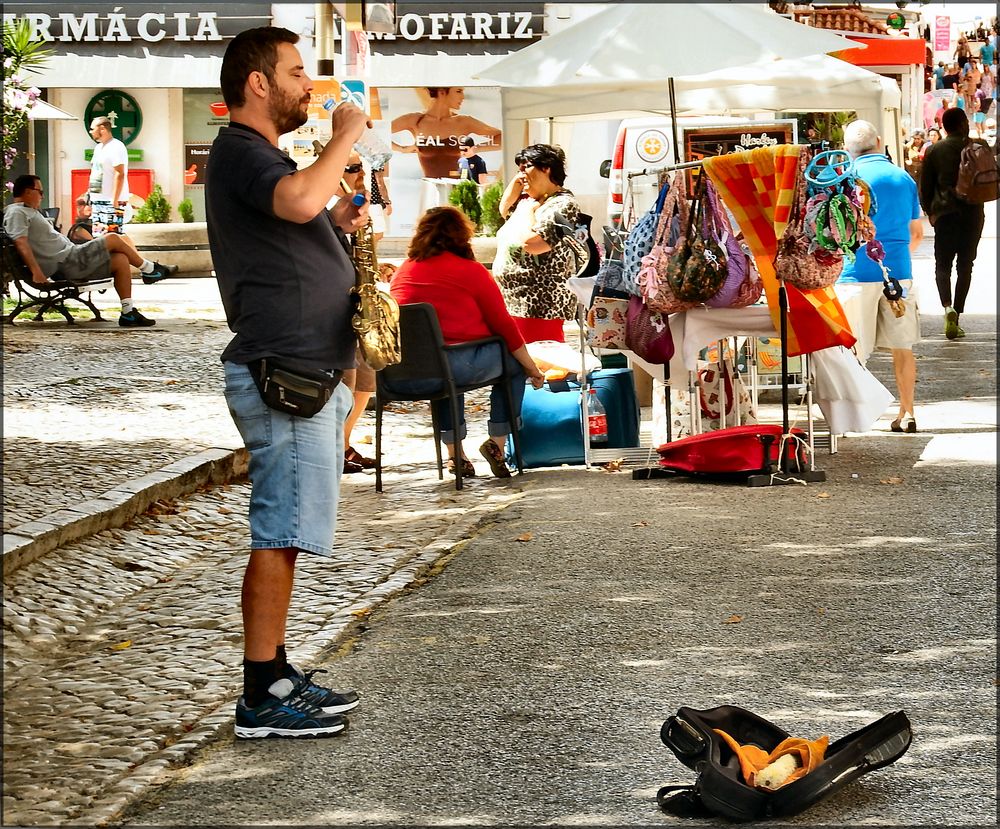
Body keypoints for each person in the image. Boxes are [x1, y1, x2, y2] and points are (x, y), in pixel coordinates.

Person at [205, 25, 371, 739]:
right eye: (297, 72)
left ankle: (273, 670)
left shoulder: (262, 157)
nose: (309, 85)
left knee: (291, 531)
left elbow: (303, 213)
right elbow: (299, 200)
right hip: (284, 369)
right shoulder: (240, 152)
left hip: (305, 366)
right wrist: (346, 134)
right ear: (258, 83)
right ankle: (258, 695)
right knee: (278, 531)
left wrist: (336, 219)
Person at [389, 206, 544, 477]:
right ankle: (497, 442)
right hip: (452, 365)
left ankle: (455, 455)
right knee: (512, 365)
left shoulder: (403, 272)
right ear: (462, 237)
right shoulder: (470, 271)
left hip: (403, 372)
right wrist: (531, 366)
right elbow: (504, 325)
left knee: (442, 367)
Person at [835, 121, 924, 434]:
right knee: (903, 348)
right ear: (880, 141)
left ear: (848, 148)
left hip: (853, 274)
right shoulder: (903, 178)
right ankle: (908, 411)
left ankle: (855, 417)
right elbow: (917, 232)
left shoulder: (846, 180)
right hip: (898, 273)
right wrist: (895, 256)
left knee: (851, 350)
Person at [3, 174, 175, 327]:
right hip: (67, 262)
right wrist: (36, 271)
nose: (42, 196)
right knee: (114, 238)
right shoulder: (17, 213)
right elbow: (21, 242)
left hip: (72, 257)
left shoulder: (28, 211)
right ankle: (150, 270)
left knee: (121, 259)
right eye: (40, 192)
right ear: (27, 192)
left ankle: (128, 312)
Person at [492, 143, 586, 344]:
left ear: (546, 168)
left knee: (542, 365)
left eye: (526, 166)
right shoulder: (532, 202)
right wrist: (517, 184)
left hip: (539, 305)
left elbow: (534, 243)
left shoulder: (563, 204)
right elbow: (504, 209)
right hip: (515, 302)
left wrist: (527, 210)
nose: (521, 174)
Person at [919, 107, 988, 340]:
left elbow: (925, 187)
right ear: (962, 124)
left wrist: (931, 211)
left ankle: (946, 306)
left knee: (943, 266)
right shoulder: (978, 147)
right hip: (973, 215)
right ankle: (957, 314)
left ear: (945, 127)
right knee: (966, 266)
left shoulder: (934, 150)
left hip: (945, 215)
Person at [340, 151, 378, 475]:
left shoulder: (359, 200)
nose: (360, 173)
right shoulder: (330, 204)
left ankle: (345, 441)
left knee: (366, 382)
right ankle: (337, 447)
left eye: (361, 167)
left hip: (360, 297)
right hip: (339, 302)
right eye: (353, 168)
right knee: (347, 382)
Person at [391, 87, 501, 178]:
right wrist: (402, 149)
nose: (463, 97)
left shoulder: (463, 122)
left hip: (458, 188)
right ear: (442, 92)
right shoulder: (415, 120)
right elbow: (377, 132)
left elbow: (502, 138)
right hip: (431, 190)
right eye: (458, 91)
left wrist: (475, 149)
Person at [88, 115, 132, 232]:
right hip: (98, 199)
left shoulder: (116, 146)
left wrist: (115, 199)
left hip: (111, 200)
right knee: (99, 237)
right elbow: (95, 171)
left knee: (113, 235)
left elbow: (120, 173)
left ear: (102, 129)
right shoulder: (98, 148)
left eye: (93, 129)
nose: (91, 131)